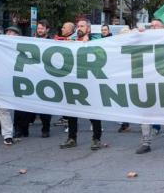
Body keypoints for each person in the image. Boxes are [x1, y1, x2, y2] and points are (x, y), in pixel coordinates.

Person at [137, 19, 164, 154]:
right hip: (147, 82)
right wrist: (137, 32)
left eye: (157, 26)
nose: (154, 28)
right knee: (146, 115)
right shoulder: (144, 38)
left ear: (163, 27)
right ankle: (146, 143)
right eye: (152, 26)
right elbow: (126, 36)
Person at [61, 20, 105, 150]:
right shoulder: (71, 41)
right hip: (74, 81)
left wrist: (89, 45)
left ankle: (96, 139)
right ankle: (72, 138)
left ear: (88, 29)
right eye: (78, 26)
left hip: (90, 82)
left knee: (93, 112)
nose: (79, 28)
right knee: (72, 112)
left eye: (82, 26)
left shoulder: (96, 42)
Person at [13, 22, 53, 138]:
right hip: (30, 76)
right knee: (25, 105)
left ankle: (45, 128)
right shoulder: (30, 41)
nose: (39, 30)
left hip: (45, 77)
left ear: (47, 29)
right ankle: (22, 130)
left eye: (42, 28)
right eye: (38, 28)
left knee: (45, 105)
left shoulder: (52, 42)